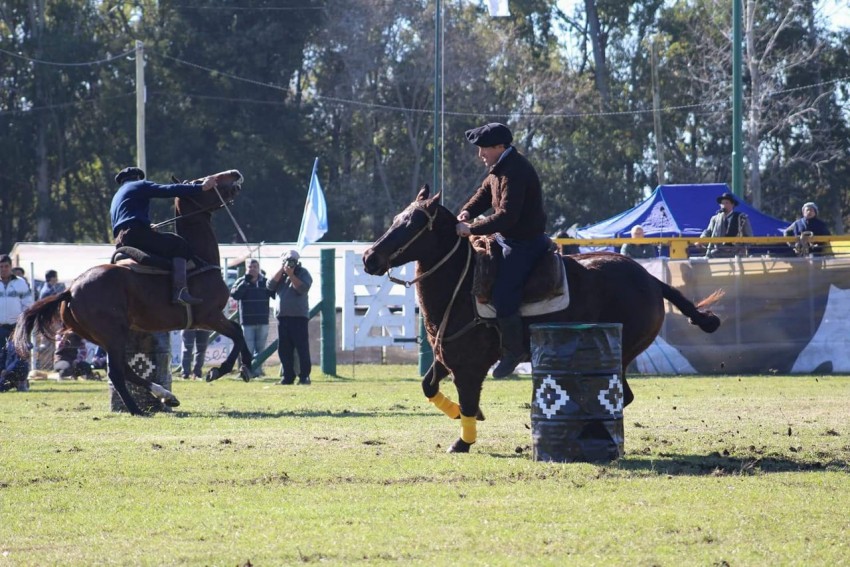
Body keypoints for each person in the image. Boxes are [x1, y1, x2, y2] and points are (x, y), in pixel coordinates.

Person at [455, 122, 549, 378]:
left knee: (504, 291)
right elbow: (484, 193)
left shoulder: (515, 171)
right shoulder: (499, 169)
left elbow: (507, 217)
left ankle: (513, 351)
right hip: (507, 240)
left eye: (485, 148)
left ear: (500, 146)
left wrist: (472, 229)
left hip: (524, 244)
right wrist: (468, 211)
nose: (480, 154)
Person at [110, 166, 217, 306]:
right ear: (138, 177)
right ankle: (180, 291)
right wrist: (200, 188)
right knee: (179, 245)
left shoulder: (117, 195)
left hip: (121, 240)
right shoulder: (140, 185)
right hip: (135, 233)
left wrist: (146, 226)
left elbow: (125, 219)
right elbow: (168, 190)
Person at [268, 250, 313, 385]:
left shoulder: (303, 273)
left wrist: (291, 275)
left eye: (292, 260)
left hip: (299, 317)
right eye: (287, 260)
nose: (289, 263)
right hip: (283, 317)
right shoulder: (280, 274)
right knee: (284, 349)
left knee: (302, 348)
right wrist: (282, 271)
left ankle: (304, 376)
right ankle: (287, 377)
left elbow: (302, 289)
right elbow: (270, 285)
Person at [230, 258, 274, 377]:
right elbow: (235, 295)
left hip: (263, 320)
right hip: (247, 322)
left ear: (259, 268)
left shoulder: (265, 282)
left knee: (261, 349)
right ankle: (247, 372)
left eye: (255, 267)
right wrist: (246, 283)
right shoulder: (241, 281)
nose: (253, 269)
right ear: (246, 268)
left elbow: (274, 293)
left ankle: (258, 371)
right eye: (250, 267)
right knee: (247, 350)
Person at [700, 192, 753, 258]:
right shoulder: (715, 219)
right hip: (718, 252)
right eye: (722, 203)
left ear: (732, 205)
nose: (724, 205)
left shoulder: (741, 218)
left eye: (727, 203)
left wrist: (743, 248)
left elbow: (749, 236)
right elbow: (709, 231)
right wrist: (702, 239)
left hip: (736, 253)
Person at [0, 254, 34, 349]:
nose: (3, 269)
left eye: (6, 266)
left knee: (16, 360)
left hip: (15, 329)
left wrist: (22, 323)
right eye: (1, 266)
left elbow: (27, 305)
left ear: (11, 267)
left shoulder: (20, 283)